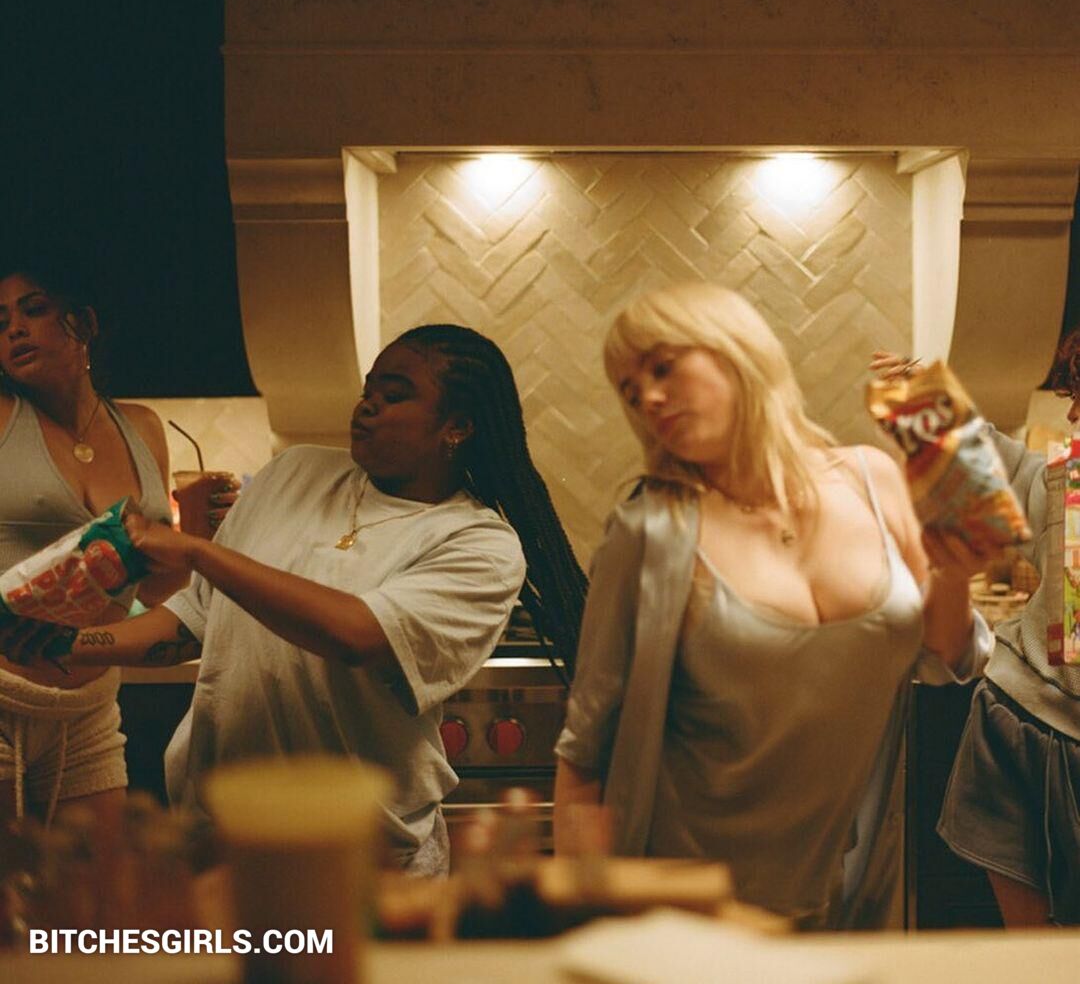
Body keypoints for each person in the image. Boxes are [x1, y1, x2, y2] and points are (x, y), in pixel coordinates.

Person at [3, 324, 586, 876]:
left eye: (394, 395)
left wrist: (198, 551)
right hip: (218, 840)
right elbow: (191, 621)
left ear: (455, 427)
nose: (367, 406)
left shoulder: (478, 543)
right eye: (368, 391)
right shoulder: (294, 473)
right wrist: (66, 643)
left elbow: (356, 634)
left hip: (364, 857)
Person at [553, 282, 992, 929]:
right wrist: (579, 926)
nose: (648, 398)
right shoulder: (650, 531)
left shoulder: (872, 480)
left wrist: (955, 570)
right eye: (630, 390)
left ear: (737, 351)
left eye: (663, 367)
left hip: (852, 886)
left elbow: (947, 653)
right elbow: (584, 754)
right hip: (685, 911)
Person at [877, 336, 1080, 928]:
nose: (1071, 413)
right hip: (1019, 724)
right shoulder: (1064, 480)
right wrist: (922, 401)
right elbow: (998, 469)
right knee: (1035, 953)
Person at [0, 264, 184, 830]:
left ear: (84, 323)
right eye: (1, 322)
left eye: (33, 310)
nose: (14, 330)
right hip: (1, 696)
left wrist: (198, 540)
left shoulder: (143, 427)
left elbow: (156, 590)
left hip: (89, 708)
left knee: (100, 879)